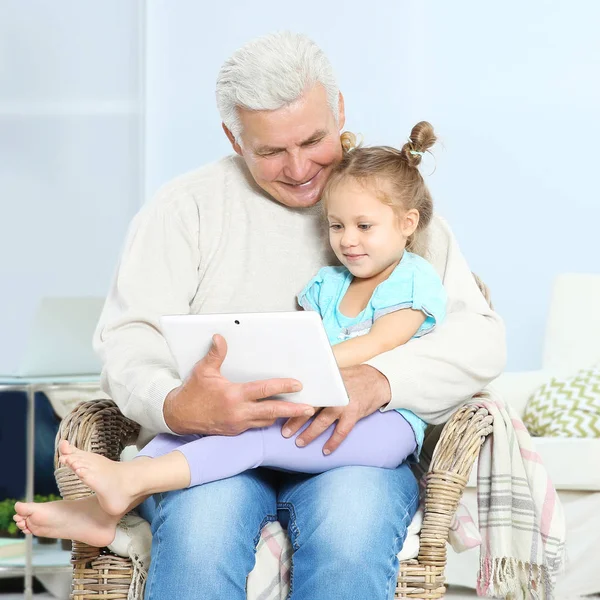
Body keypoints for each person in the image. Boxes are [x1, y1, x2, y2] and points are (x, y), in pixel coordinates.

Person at [16, 32, 505, 600]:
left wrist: (383, 380)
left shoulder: (389, 207)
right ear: (233, 137)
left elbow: (480, 340)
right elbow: (129, 340)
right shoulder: (185, 209)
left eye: (314, 140)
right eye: (271, 151)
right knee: (201, 535)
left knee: (352, 535)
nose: (300, 169)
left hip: (348, 448)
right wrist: (178, 402)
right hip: (213, 448)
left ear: (340, 111)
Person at [14, 122, 448, 551]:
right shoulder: (331, 283)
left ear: (407, 223)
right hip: (320, 409)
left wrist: (299, 367)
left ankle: (127, 483)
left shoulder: (411, 280)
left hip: (380, 429)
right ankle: (102, 508)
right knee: (206, 425)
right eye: (337, 226)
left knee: (251, 437)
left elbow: (378, 343)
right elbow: (299, 338)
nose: (348, 241)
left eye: (364, 227)